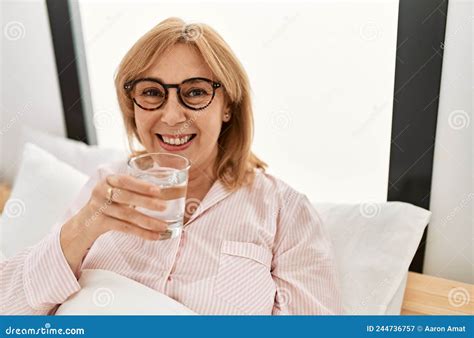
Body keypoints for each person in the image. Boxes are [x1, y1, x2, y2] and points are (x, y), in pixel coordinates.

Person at [1, 17, 343, 315]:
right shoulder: (106, 186)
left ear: (228, 107)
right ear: (132, 106)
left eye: (195, 93)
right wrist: (80, 230)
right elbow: (10, 311)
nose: (172, 115)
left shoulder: (285, 211)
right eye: (152, 93)